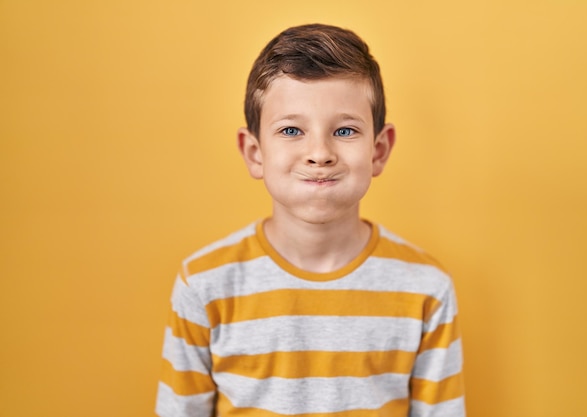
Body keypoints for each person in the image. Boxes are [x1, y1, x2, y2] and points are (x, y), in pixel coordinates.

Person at [156, 23, 465, 417]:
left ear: (379, 150)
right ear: (254, 153)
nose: (319, 153)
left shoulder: (426, 289)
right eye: (291, 130)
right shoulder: (203, 285)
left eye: (344, 130)